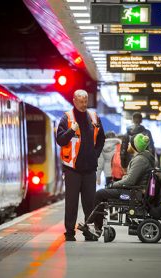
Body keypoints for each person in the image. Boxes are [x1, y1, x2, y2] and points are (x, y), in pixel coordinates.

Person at [81, 133, 155, 239]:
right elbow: (130, 178)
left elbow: (130, 181)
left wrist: (112, 185)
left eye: (130, 143)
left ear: (135, 146)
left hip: (132, 194)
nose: (128, 144)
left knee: (100, 194)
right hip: (134, 192)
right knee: (102, 194)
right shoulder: (142, 158)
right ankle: (96, 226)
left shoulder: (140, 160)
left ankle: (97, 228)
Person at [56, 89, 105, 241]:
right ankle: (69, 233)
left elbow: (101, 138)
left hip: (89, 168)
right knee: (71, 203)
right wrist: (72, 130)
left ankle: (88, 231)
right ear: (74, 101)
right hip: (72, 169)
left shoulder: (94, 117)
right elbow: (60, 140)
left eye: (86, 101)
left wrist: (94, 154)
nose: (84, 104)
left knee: (89, 202)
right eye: (81, 101)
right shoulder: (67, 118)